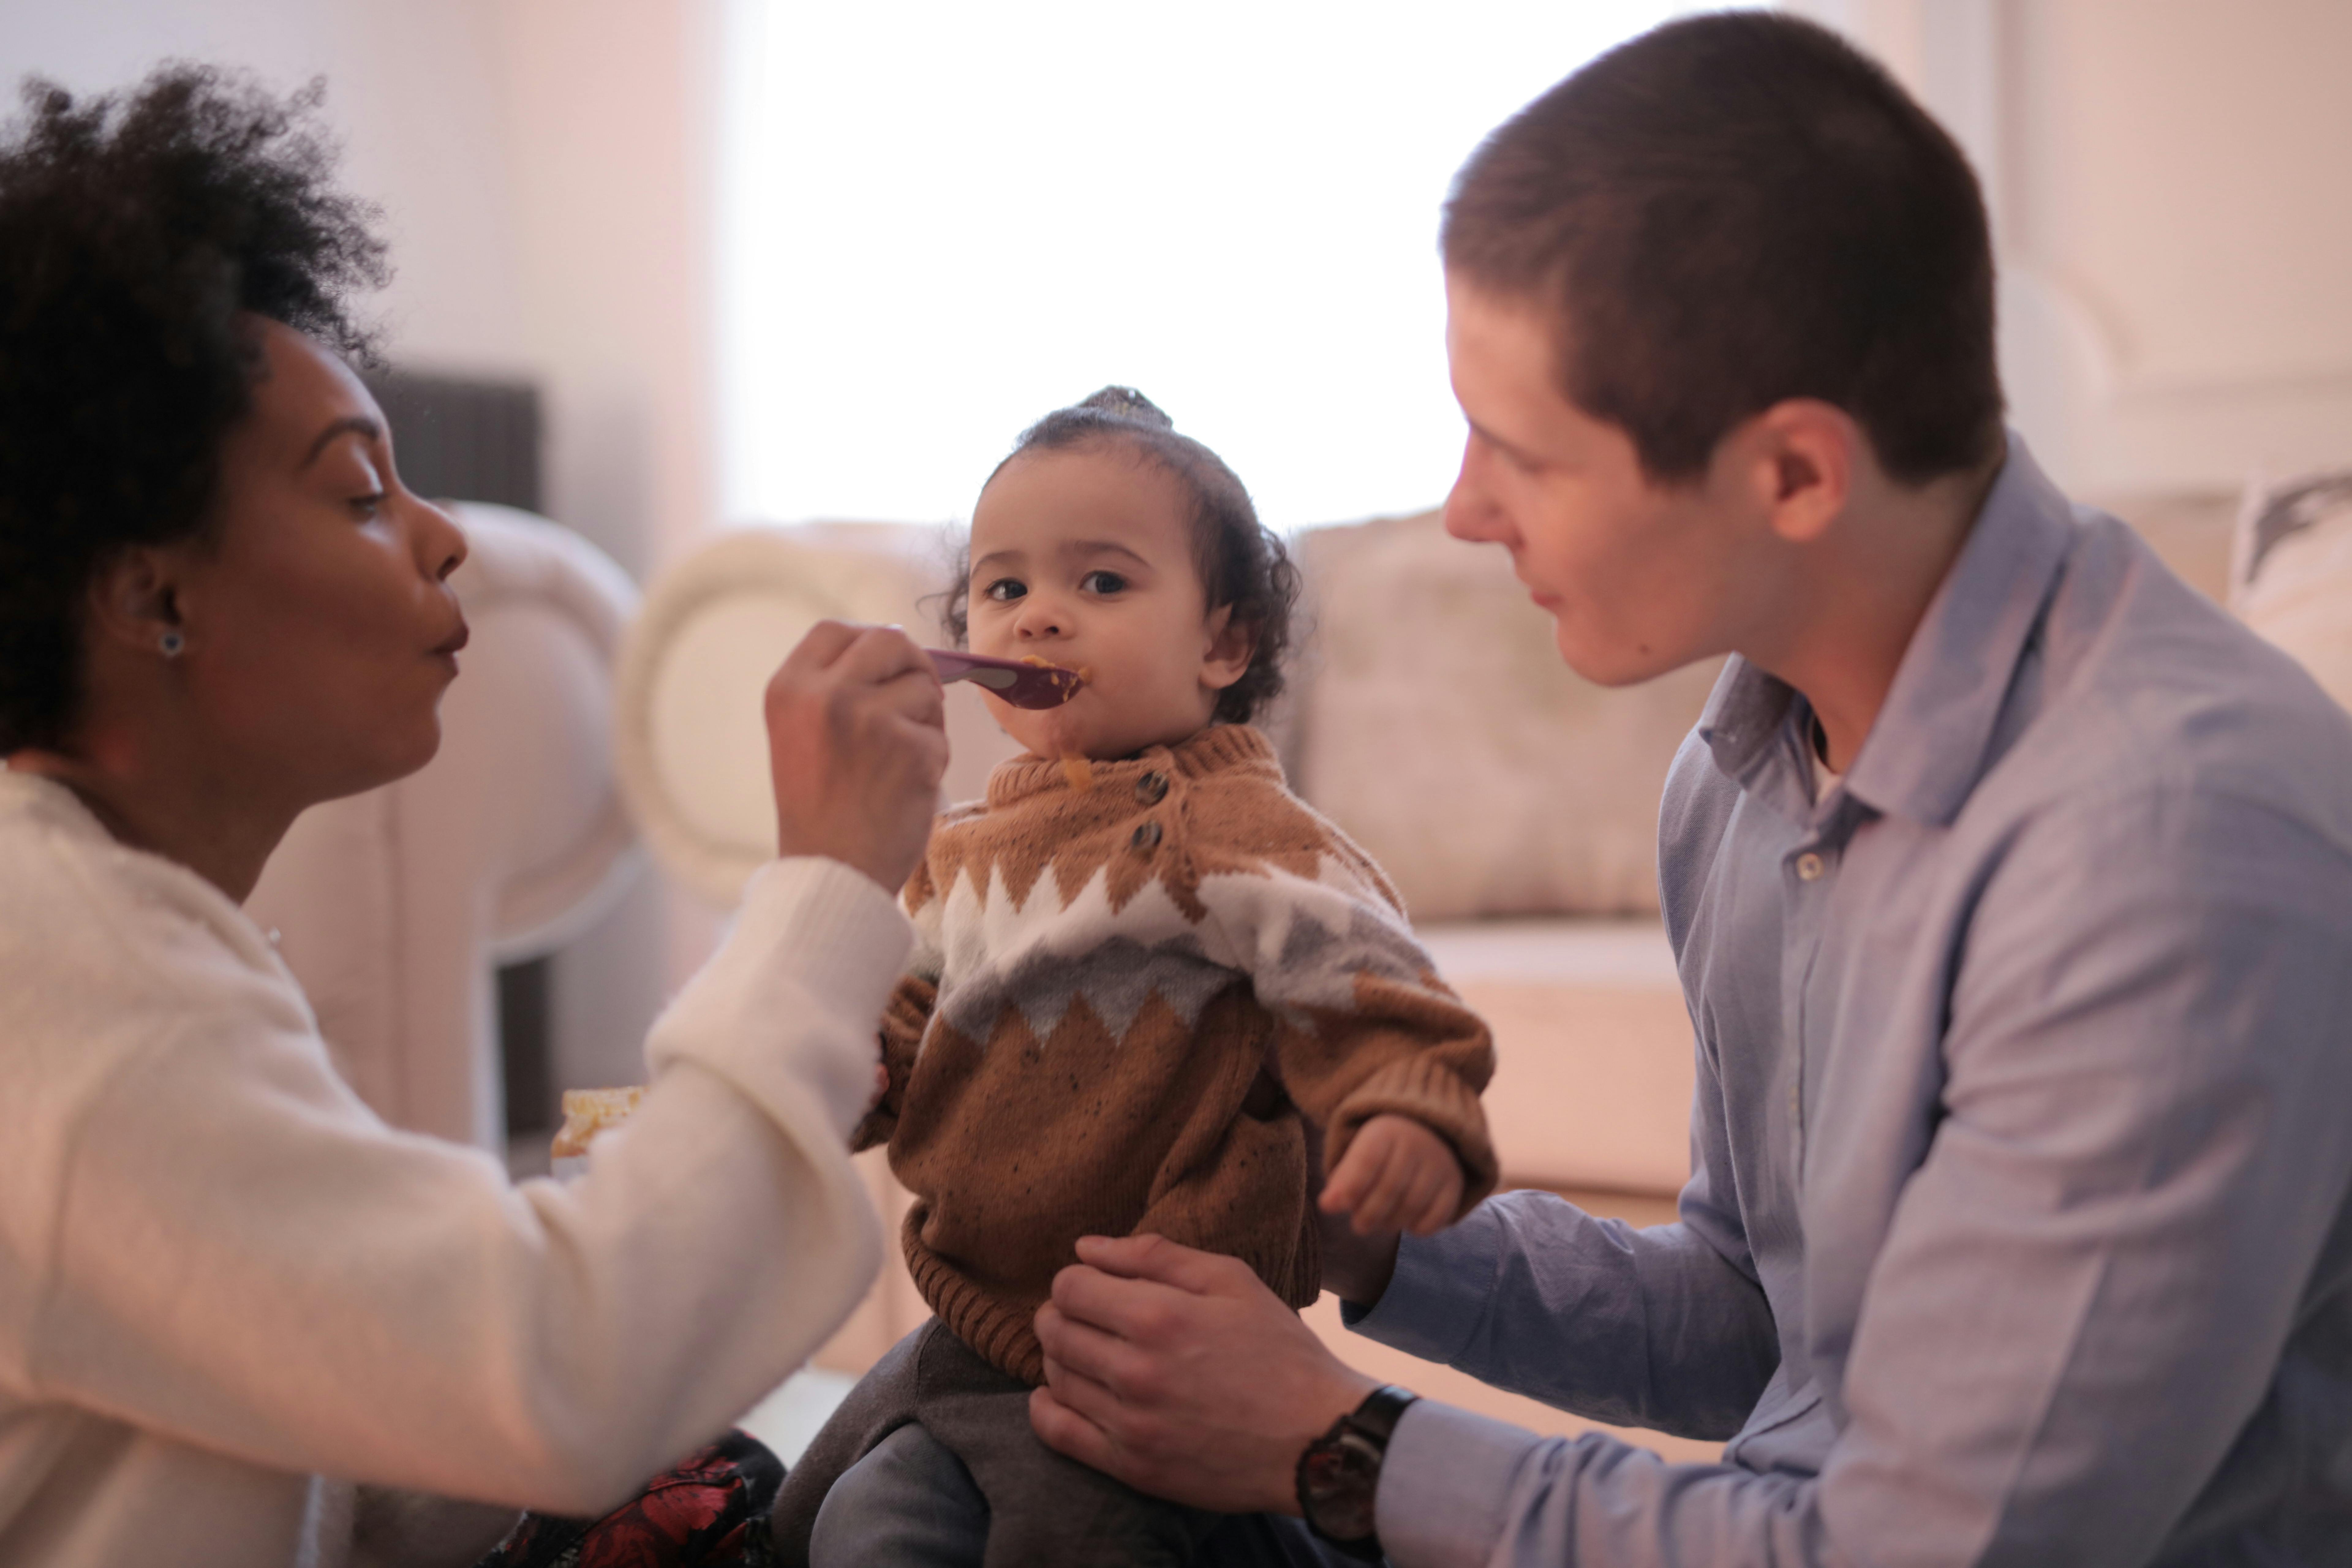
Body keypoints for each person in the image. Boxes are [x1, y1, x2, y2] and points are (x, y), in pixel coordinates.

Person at [1019, 13, 2352, 1567]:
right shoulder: (1745, 768)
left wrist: (1338, 1444)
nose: (1462, 512)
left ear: (1795, 475)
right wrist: (1376, 1247)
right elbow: (1761, 1326)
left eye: (1522, 450)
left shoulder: (2168, 851)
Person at [0, 67, 948, 1566]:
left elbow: (317, 1389)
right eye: (362, 490)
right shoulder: (58, 973)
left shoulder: (106, 919)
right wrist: (829, 887)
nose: (445, 536)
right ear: (148, 591)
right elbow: (563, 1364)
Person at [769, 388, 1499, 1566]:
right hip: (966, 1334)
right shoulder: (955, 855)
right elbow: (897, 1034)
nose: (1039, 619)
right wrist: (828, 1075)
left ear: (1224, 642)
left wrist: (1407, 1101)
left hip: (1155, 1354)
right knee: (865, 1527)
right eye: (1004, 590)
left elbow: (1370, 980)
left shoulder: (1236, 831)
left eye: (1101, 585)